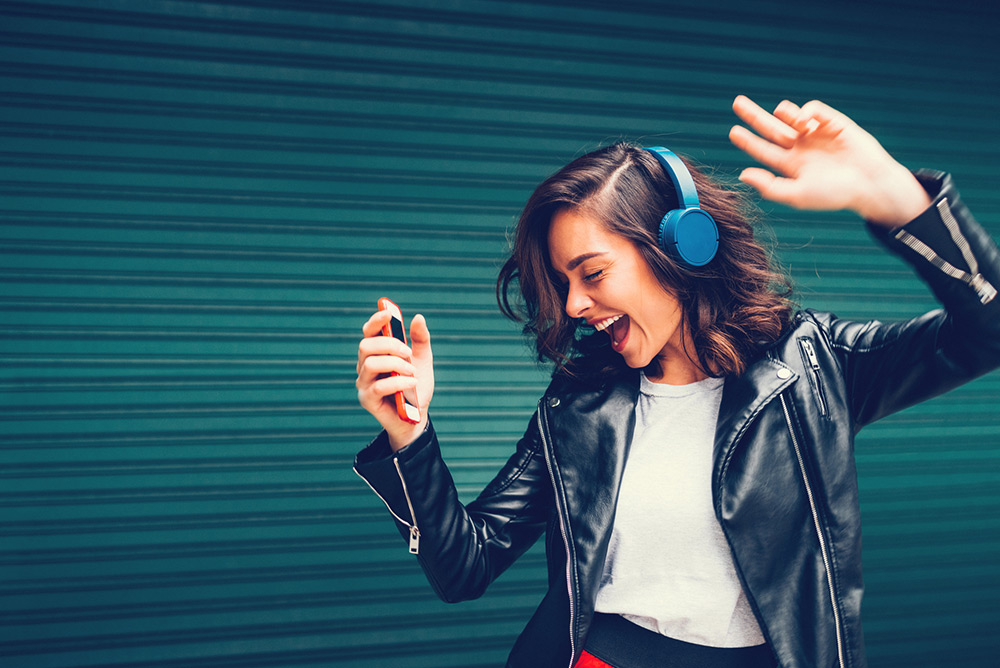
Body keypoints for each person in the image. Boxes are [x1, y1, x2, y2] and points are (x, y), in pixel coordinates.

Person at [353, 95, 1000, 668]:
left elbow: (987, 331)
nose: (573, 304)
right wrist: (410, 435)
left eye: (592, 274)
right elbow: (465, 565)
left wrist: (898, 199)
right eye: (564, 282)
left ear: (681, 246)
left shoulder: (813, 365)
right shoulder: (578, 404)